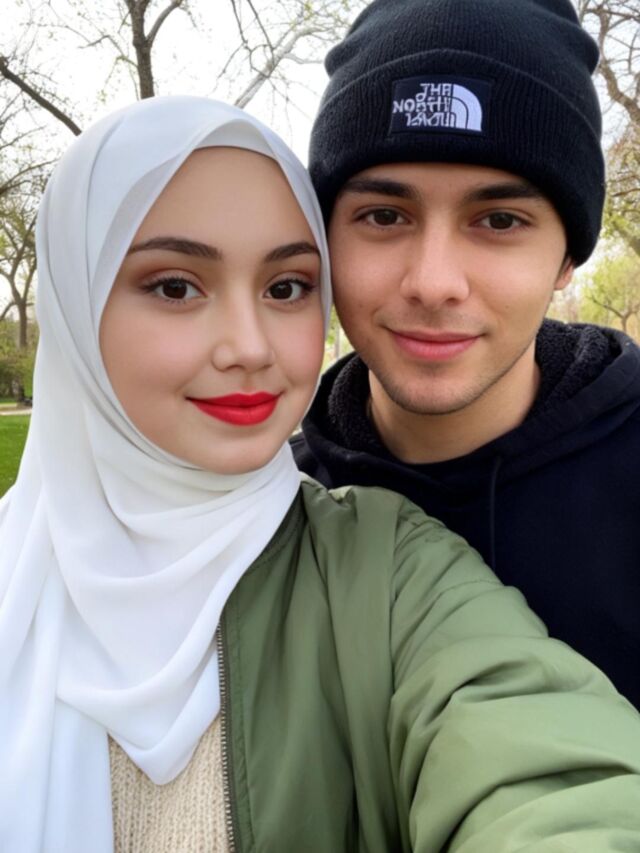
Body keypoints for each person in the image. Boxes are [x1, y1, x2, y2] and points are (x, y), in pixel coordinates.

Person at [2, 95, 640, 853]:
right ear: (74, 302)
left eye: (285, 288)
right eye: (175, 286)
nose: (249, 346)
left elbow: (552, 778)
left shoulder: (387, 571)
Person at [292, 0, 640, 709]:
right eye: (384, 215)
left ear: (567, 257)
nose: (433, 282)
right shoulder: (266, 508)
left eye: (499, 220)